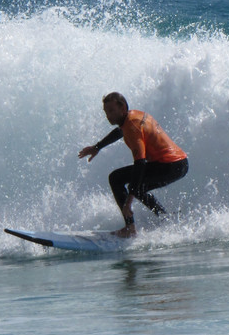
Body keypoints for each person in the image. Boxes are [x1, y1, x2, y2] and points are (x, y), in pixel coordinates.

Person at [78, 92, 188, 237]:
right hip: (179, 163)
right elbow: (119, 132)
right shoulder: (133, 116)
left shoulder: (132, 127)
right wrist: (97, 147)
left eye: (111, 111)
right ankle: (165, 218)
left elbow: (140, 164)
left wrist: (128, 204)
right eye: (106, 112)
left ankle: (130, 228)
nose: (108, 116)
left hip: (170, 165)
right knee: (137, 188)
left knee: (116, 178)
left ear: (122, 107)